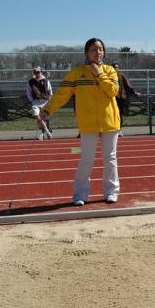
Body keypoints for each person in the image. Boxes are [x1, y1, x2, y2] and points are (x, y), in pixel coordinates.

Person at [41, 38, 120, 206]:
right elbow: (62, 94)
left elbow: (112, 91)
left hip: (110, 122)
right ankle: (80, 195)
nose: (97, 52)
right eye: (93, 49)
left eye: (100, 49)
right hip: (88, 122)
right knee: (86, 159)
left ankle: (111, 192)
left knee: (110, 159)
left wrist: (100, 74)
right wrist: (48, 109)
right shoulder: (76, 73)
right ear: (86, 53)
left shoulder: (110, 71)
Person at [114, 63, 140, 136]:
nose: (115, 69)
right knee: (111, 114)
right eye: (114, 67)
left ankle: (119, 130)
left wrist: (135, 92)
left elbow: (128, 86)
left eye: (117, 67)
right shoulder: (108, 76)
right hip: (111, 98)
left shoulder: (121, 75)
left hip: (120, 98)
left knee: (119, 114)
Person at [26, 67, 53, 140]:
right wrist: (32, 100)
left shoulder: (46, 80)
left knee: (45, 118)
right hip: (36, 102)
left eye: (38, 72)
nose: (37, 74)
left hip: (45, 101)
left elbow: (50, 91)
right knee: (36, 115)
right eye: (36, 72)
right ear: (34, 73)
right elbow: (28, 92)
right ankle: (47, 132)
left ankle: (43, 134)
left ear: (41, 72)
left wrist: (50, 98)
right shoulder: (30, 82)